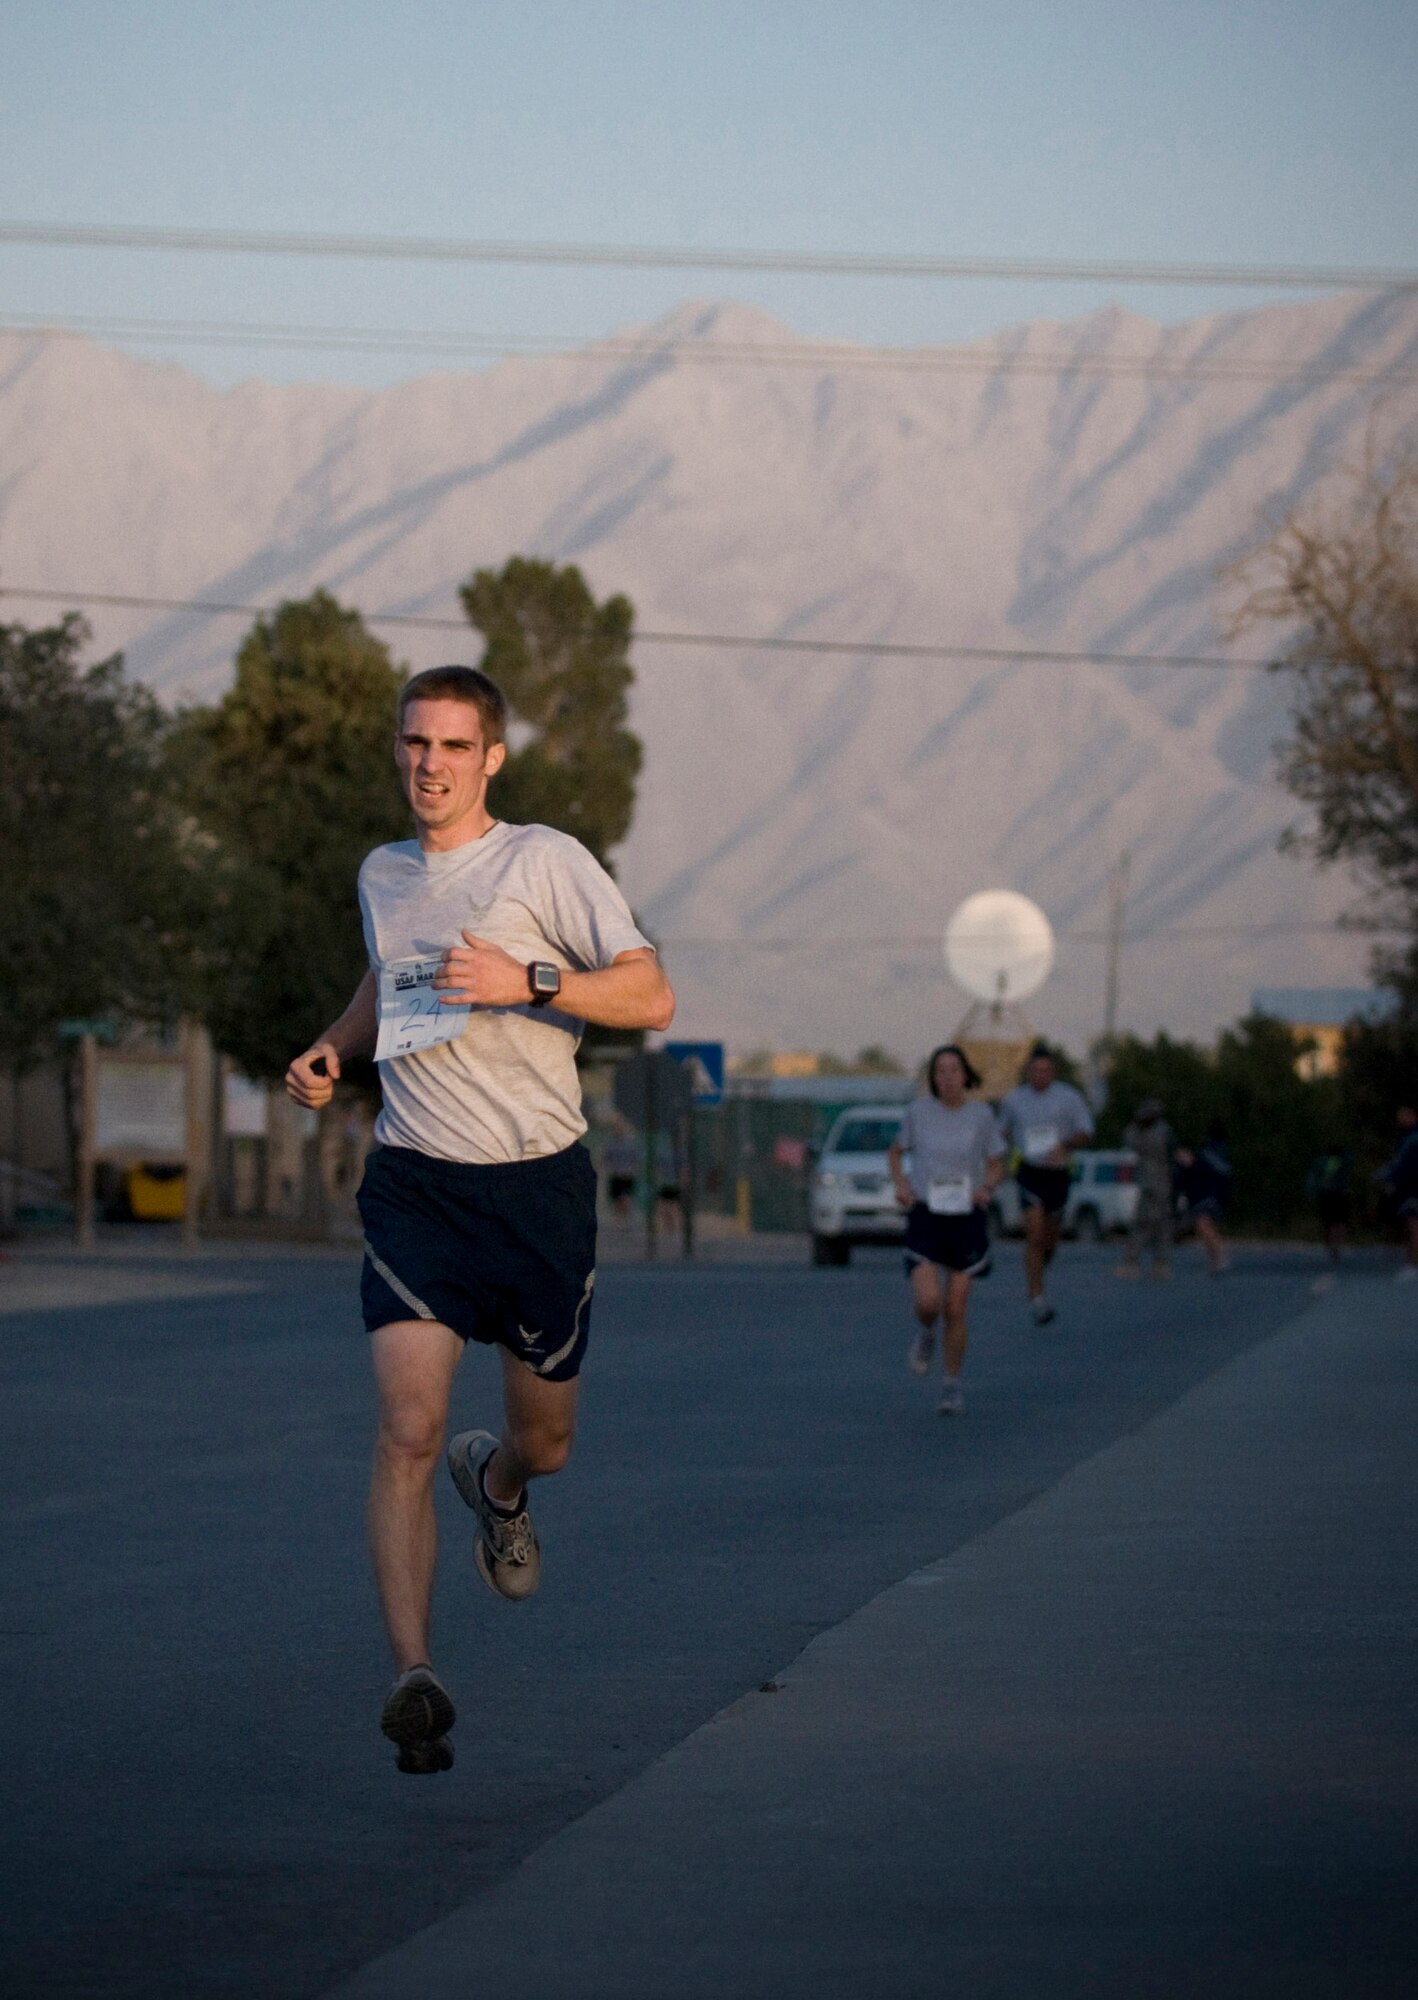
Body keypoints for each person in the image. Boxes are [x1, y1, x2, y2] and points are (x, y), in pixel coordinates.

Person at [285, 664, 674, 1775]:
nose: (430, 764)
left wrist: (528, 979)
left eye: (453, 746)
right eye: (415, 743)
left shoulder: (543, 859)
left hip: (536, 1188)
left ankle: (498, 1484)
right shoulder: (384, 870)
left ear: (490, 757)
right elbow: (383, 980)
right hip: (416, 1182)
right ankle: (414, 1674)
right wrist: (332, 1050)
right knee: (405, 1426)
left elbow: (649, 996)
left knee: (545, 1438)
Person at [888, 1044, 1006, 1415]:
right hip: (926, 1213)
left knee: (956, 1306)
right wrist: (902, 1186)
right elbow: (896, 1152)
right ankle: (926, 1334)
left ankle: (951, 1385)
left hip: (965, 1215)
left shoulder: (981, 1115)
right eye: (940, 1071)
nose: (947, 1077)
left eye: (954, 1070)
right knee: (929, 1302)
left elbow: (996, 1161)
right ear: (932, 1077)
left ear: (965, 1075)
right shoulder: (918, 1113)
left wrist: (987, 1187)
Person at [996, 1045, 1094, 1325]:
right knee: (1035, 1234)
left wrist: (1066, 1144)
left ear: (1053, 1072)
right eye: (1035, 1070)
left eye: (1046, 1070)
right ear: (1028, 1071)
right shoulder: (1014, 1100)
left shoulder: (1069, 1098)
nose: (1041, 1075)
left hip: (1058, 1174)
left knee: (1049, 1240)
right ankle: (1037, 1297)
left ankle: (1037, 1270)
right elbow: (1001, 1131)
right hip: (1029, 1172)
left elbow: (1086, 1132)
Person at [1116, 1098, 1175, 1279]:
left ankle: (1134, 1262)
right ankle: (1160, 1264)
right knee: (1160, 1225)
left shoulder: (1153, 1132)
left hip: (1154, 1183)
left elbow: (1130, 1139)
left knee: (1146, 1224)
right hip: (1159, 1183)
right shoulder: (1161, 1131)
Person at [1175, 1118, 1233, 1275]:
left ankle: (1220, 1257)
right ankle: (1216, 1260)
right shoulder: (1217, 1153)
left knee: (1204, 1225)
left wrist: (1190, 1164)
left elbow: (1199, 1172)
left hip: (1209, 1196)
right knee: (1203, 1227)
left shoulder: (1209, 1155)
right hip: (1210, 1196)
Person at [1377, 1104, 1418, 1283]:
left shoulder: (1413, 1138)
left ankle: (1413, 1265)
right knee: (1410, 1226)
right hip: (1407, 1188)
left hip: (1413, 1188)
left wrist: (1391, 1178)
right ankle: (1411, 1264)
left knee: (1413, 1226)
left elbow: (1406, 1165)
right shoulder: (1405, 1137)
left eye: (1404, 1114)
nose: (1400, 1117)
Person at [1306, 1148, 1354, 1270]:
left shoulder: (1321, 1161)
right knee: (1340, 1222)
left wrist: (1311, 1192)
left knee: (1329, 1223)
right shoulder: (1344, 1161)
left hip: (1326, 1194)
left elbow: (1314, 1178)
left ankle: (1331, 1247)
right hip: (1340, 1194)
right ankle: (1337, 1246)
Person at [602, 1115, 640, 1225]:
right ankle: (619, 1222)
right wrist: (607, 1170)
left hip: (627, 1176)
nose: (618, 1130)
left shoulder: (631, 1143)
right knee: (617, 1201)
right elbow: (604, 1159)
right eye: (616, 1127)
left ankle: (626, 1220)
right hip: (615, 1176)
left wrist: (632, 1170)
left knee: (625, 1199)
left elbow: (636, 1159)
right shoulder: (610, 1143)